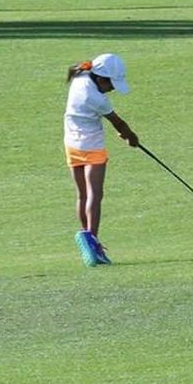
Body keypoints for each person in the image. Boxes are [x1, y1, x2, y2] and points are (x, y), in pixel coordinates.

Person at [64, 53, 139, 266]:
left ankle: (88, 239)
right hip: (92, 147)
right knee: (95, 195)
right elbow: (118, 122)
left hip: (71, 145)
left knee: (82, 195)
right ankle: (93, 243)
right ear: (101, 79)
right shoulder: (96, 98)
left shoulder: (80, 78)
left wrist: (124, 133)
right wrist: (131, 138)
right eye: (112, 84)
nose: (113, 88)